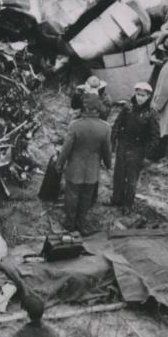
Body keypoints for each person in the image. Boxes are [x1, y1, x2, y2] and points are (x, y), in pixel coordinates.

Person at [57, 94, 111, 235]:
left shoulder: (75, 126)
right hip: (92, 171)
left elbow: (66, 149)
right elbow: (107, 150)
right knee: (86, 197)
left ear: (84, 107)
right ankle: (81, 223)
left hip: (75, 169)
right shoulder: (105, 128)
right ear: (98, 108)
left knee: (72, 196)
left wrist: (59, 164)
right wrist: (108, 164)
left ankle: (70, 224)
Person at [110, 81, 160, 211]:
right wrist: (114, 139)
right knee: (119, 174)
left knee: (132, 179)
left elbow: (155, 137)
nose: (140, 97)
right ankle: (116, 199)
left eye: (143, 95)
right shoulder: (128, 107)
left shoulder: (151, 114)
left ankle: (127, 205)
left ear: (148, 96)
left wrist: (146, 154)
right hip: (123, 145)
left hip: (138, 149)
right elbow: (117, 123)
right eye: (138, 94)